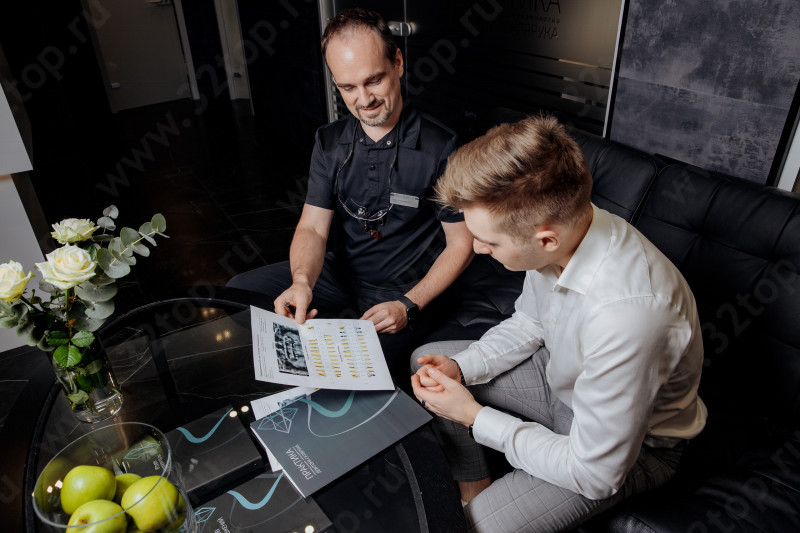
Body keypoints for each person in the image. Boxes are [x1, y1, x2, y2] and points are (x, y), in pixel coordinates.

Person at [410, 115, 707, 532]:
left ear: (546, 238)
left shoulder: (629, 316)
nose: (475, 248)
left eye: (489, 241)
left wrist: (474, 417)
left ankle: (475, 511)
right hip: (562, 381)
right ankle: (474, 488)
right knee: (432, 365)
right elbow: (530, 323)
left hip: (633, 449)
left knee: (476, 526)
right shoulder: (567, 230)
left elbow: (597, 474)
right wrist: (462, 367)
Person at [227, 8, 473, 379]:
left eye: (374, 80)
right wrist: (302, 282)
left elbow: (461, 244)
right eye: (348, 88)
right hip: (344, 276)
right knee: (239, 292)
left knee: (352, 373)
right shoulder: (329, 142)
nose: (364, 99)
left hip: (405, 292)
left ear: (398, 63)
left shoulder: (442, 146)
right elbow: (312, 227)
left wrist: (409, 305)